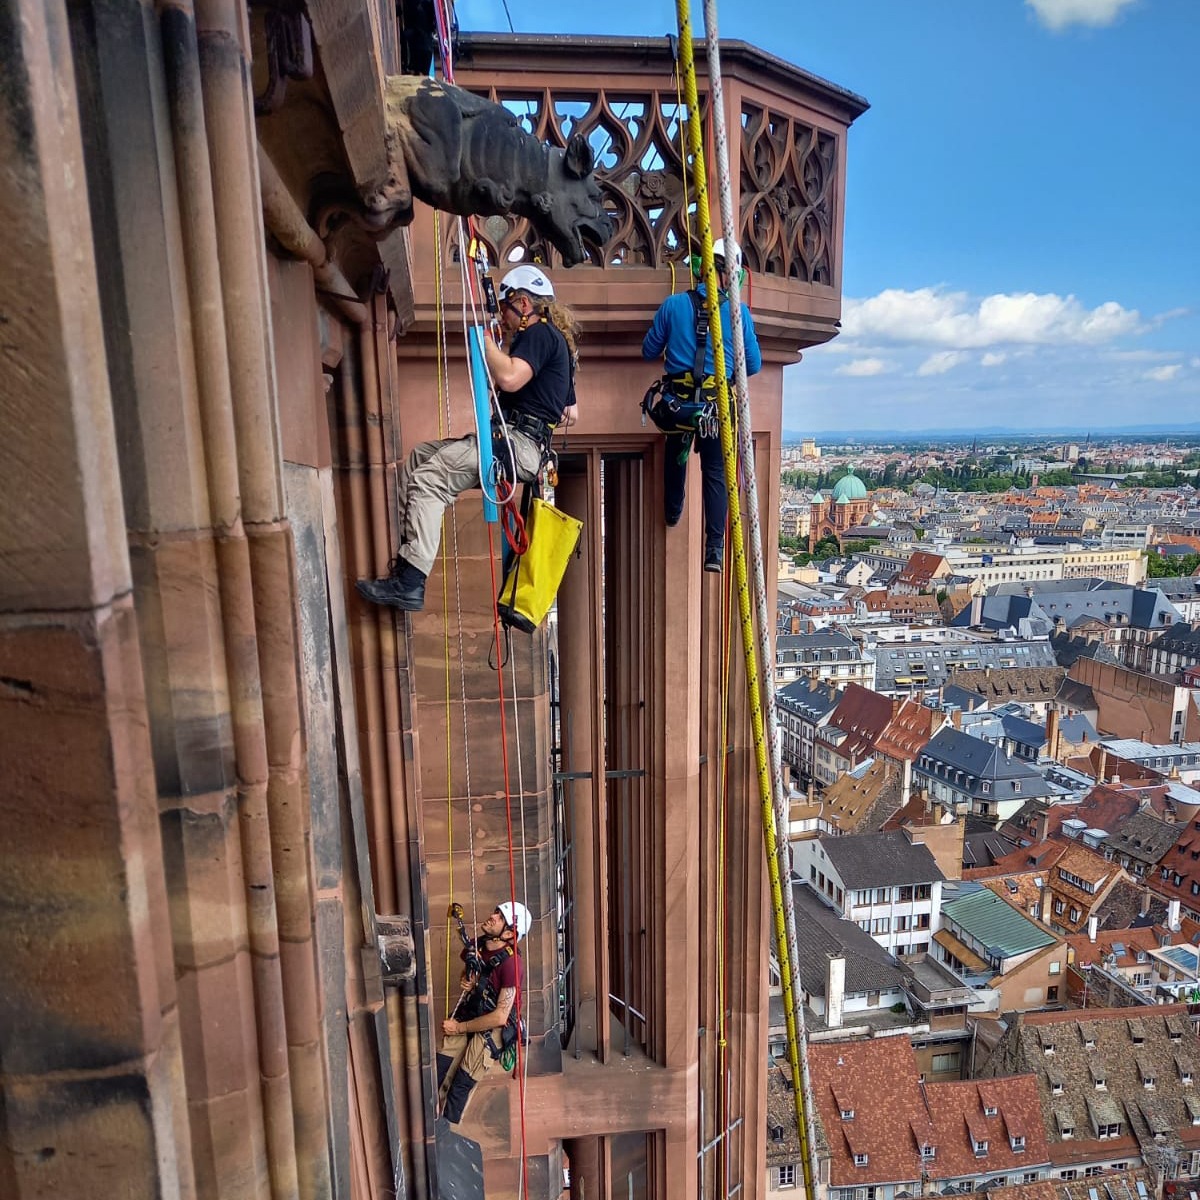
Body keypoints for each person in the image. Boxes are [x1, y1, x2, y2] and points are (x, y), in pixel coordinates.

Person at [356, 265, 579, 612]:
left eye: (504, 310)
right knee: (420, 458)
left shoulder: (539, 335)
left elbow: (509, 378)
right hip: (518, 442)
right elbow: (571, 412)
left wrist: (486, 341)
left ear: (522, 304)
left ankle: (411, 581)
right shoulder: (557, 344)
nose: (502, 320)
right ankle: (407, 554)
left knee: (431, 478)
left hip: (516, 444)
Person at [642, 238, 762, 573]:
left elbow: (649, 350)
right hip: (716, 408)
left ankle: (673, 511)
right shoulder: (738, 314)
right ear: (732, 275)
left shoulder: (673, 305)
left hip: (678, 407)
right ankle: (714, 549)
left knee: (676, 456)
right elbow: (751, 364)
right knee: (715, 472)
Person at [437, 899, 530, 1124]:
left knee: (460, 1085)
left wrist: (458, 1027)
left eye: (501, 917)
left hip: (494, 1027)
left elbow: (500, 1015)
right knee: (439, 1070)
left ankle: (446, 1135)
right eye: (496, 911)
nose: (493, 916)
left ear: (509, 934)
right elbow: (474, 967)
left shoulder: (512, 965)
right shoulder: (482, 944)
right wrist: (468, 979)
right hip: (474, 1010)